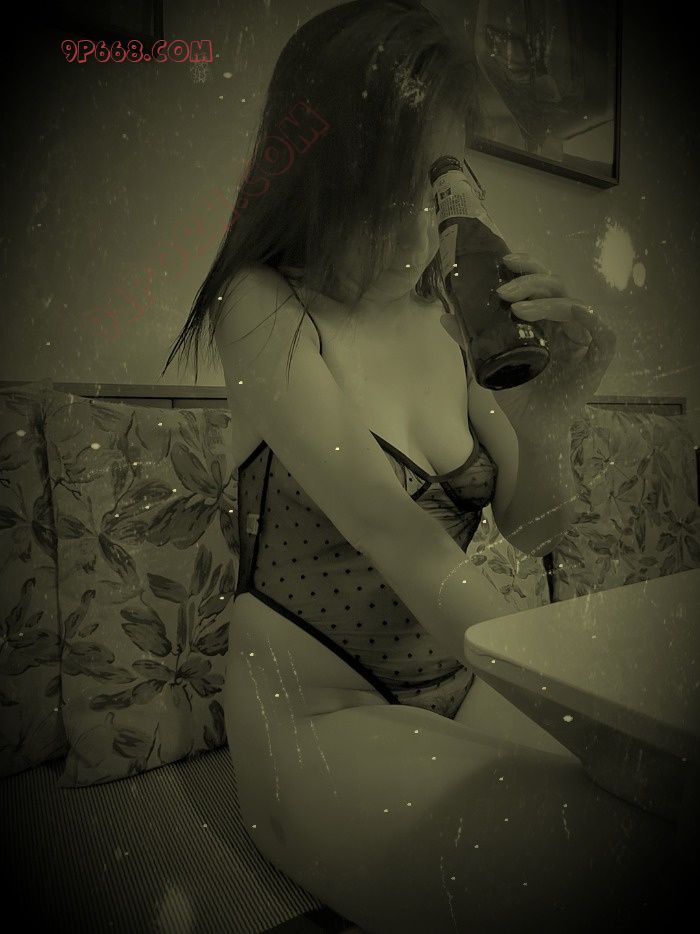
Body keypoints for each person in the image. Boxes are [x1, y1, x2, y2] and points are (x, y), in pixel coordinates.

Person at [161, 2, 683, 930]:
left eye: (444, 180)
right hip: (315, 711)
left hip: (462, 683)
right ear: (330, 171)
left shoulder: (449, 317)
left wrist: (550, 416)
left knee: (662, 826)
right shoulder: (265, 305)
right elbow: (394, 534)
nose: (430, 218)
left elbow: (536, 529)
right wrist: (596, 720)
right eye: (400, 179)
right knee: (603, 855)